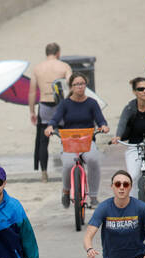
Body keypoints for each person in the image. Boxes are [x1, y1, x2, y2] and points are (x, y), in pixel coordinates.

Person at [45, 72, 109, 208]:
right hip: (69, 142)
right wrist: (50, 127)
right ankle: (66, 190)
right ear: (71, 87)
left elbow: (100, 119)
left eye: (82, 84)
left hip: (87, 141)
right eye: (76, 84)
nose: (80, 87)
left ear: (85, 85)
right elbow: (55, 119)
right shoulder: (65, 104)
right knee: (68, 164)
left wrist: (103, 126)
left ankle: (93, 196)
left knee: (93, 159)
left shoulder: (92, 103)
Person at [30, 43, 72, 182]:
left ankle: (44, 173)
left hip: (44, 106)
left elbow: (31, 92)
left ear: (46, 53)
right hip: (61, 106)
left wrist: (32, 111)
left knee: (43, 142)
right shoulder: (64, 66)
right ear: (58, 53)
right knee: (66, 139)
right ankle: (70, 168)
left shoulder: (37, 68)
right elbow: (70, 87)